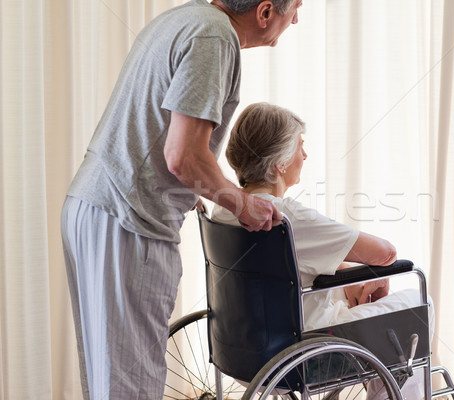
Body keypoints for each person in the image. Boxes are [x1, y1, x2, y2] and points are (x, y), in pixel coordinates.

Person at [60, 1, 302, 399]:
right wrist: (240, 204)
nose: (295, 19)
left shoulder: (183, 18)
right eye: (294, 8)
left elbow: (156, 132)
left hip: (92, 203)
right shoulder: (216, 37)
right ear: (264, 12)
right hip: (128, 218)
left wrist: (197, 190)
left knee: (107, 380)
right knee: (129, 386)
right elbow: (184, 155)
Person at [211, 102, 435, 400]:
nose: (305, 155)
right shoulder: (286, 216)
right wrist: (373, 276)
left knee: (360, 289)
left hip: (244, 355)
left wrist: (349, 276)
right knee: (420, 300)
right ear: (280, 162)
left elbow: (285, 269)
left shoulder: (225, 209)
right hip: (302, 354)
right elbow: (385, 253)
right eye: (299, 146)